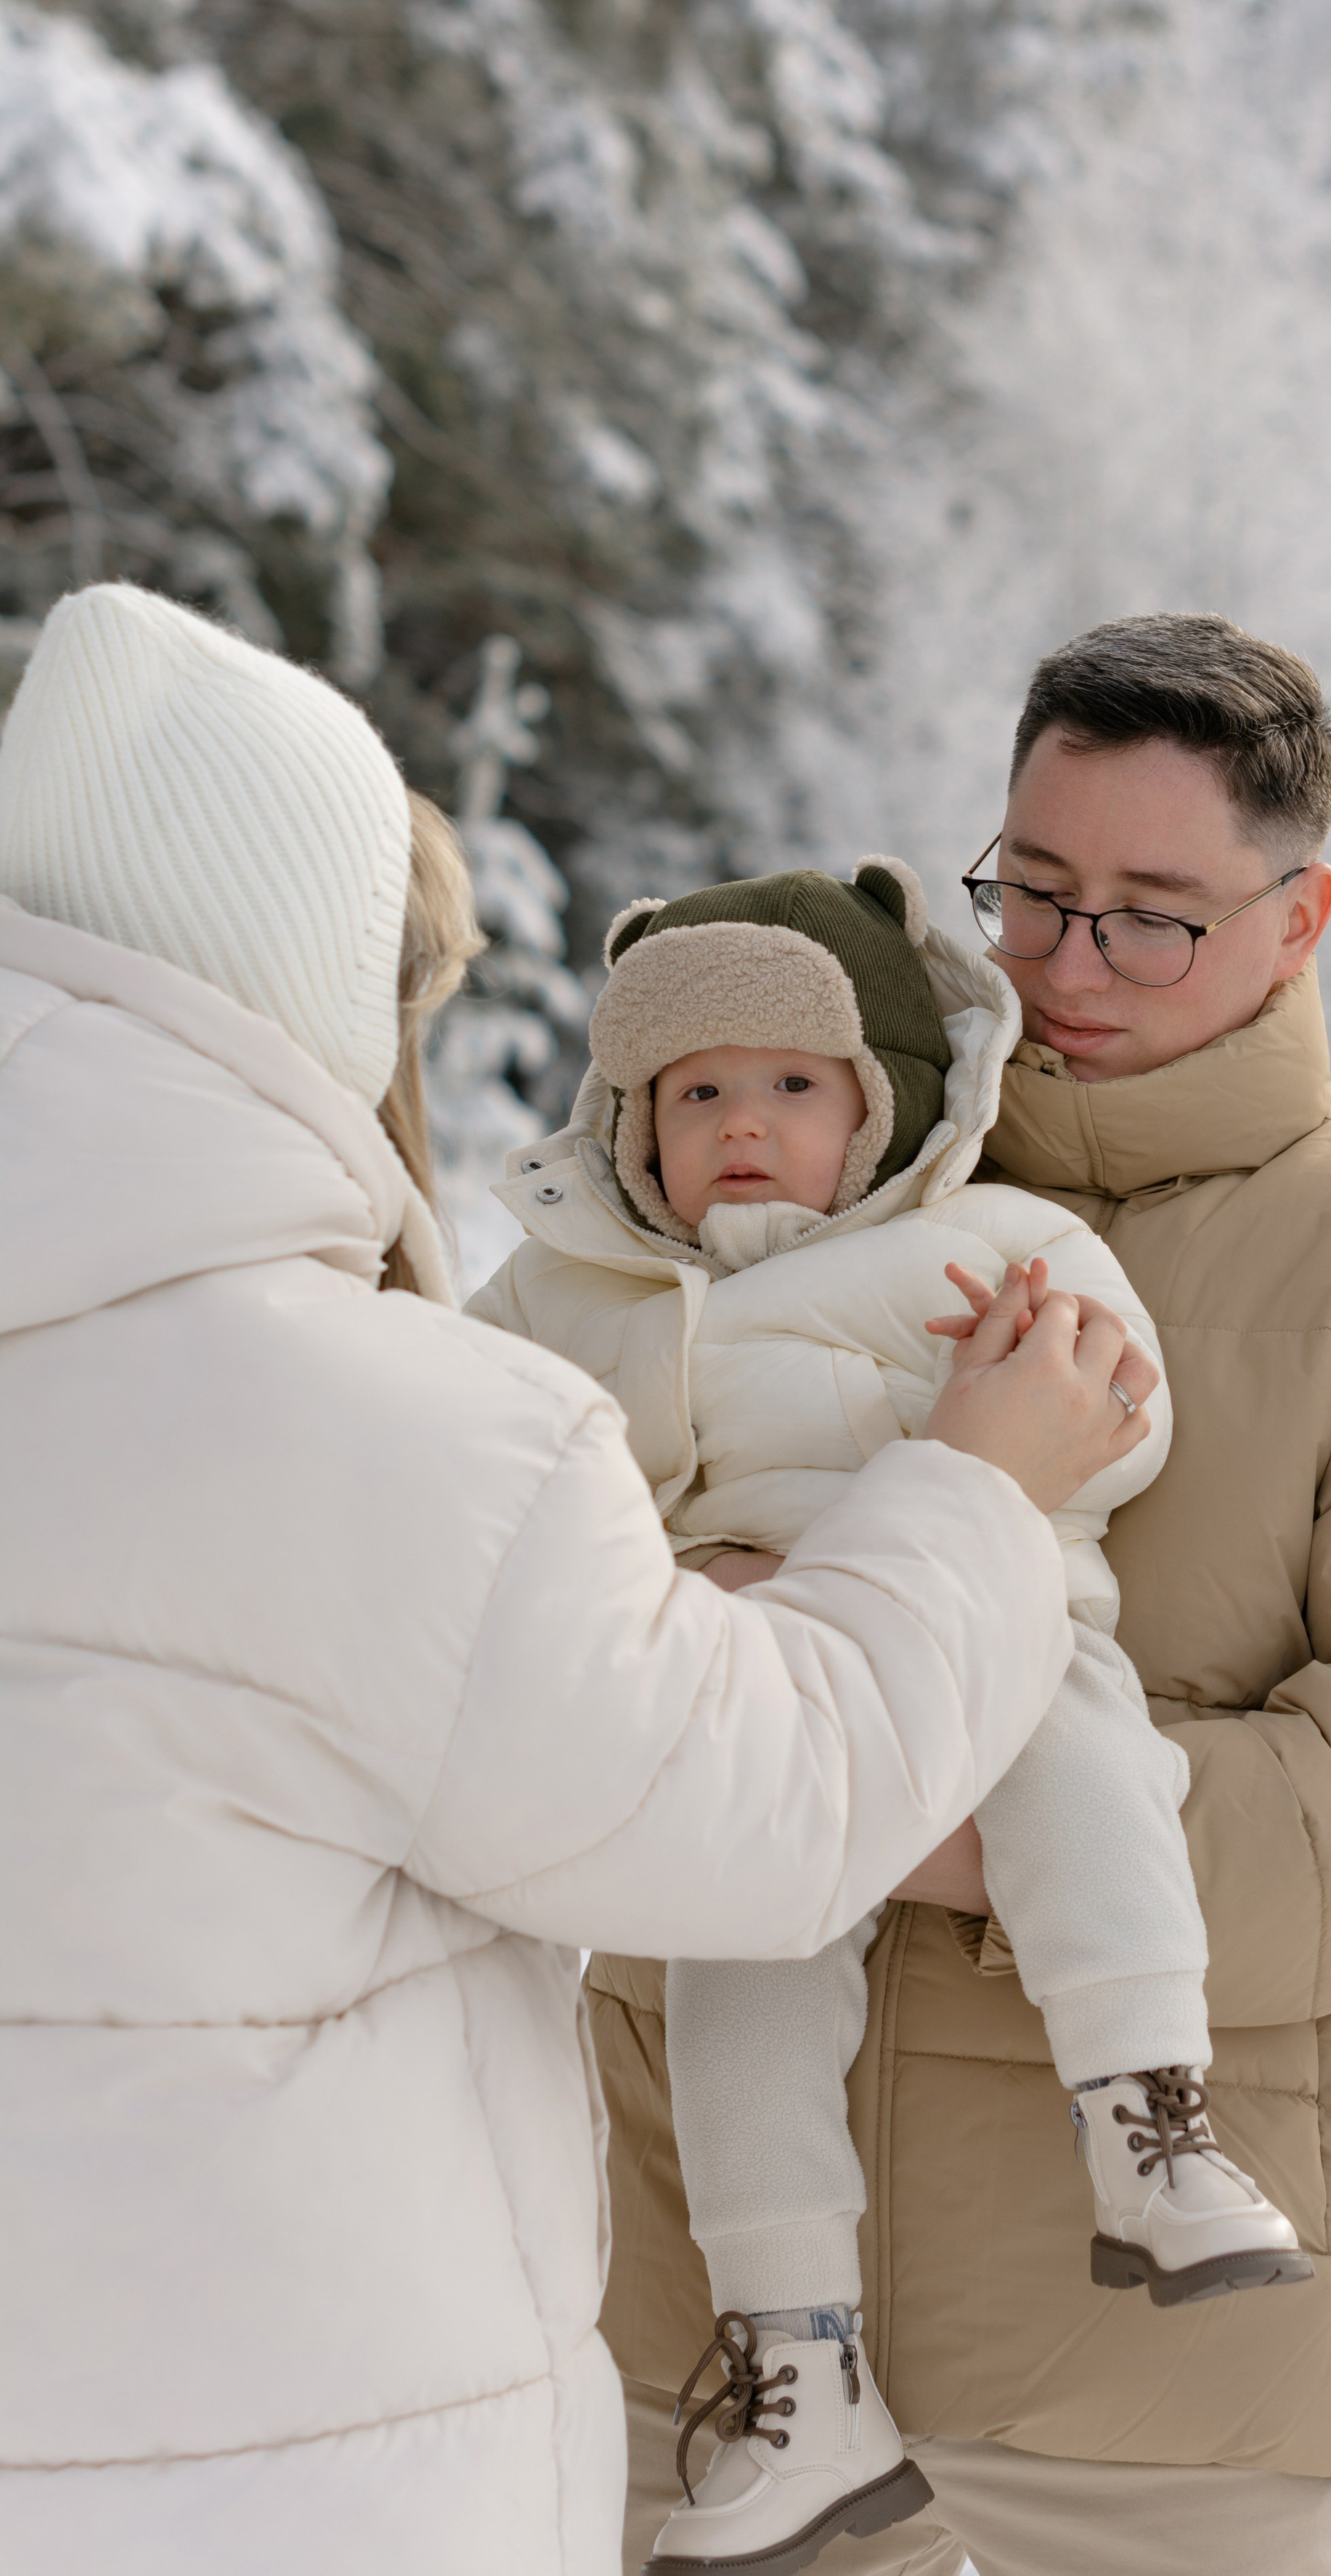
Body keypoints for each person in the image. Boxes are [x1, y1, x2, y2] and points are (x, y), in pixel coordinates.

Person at [0, 585, 1153, 2576]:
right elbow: (758, 1812)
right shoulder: (396, 1434)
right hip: (286, 2484)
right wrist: (975, 1489)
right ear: (308, 992)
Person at [592, 614, 1331, 2576]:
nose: (1064, 968)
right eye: (1034, 892)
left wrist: (927, 1809)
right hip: (711, 2355)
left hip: (1170, 2405)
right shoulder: (734, 1204)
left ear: (1301, 913)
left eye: (1150, 917)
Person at [467, 860, 1308, 2575]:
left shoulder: (984, 1239)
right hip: (749, 1698)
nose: (744, 1126)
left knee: (1087, 1776)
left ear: (886, 1099)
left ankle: (1149, 2120)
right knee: (739, 1981)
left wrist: (1050, 1388)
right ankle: (798, 2368)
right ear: (632, 1125)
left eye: (792, 1083)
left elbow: (1123, 1418)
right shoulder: (574, 1295)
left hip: (995, 1626)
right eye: (696, 1094)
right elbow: (472, 1462)